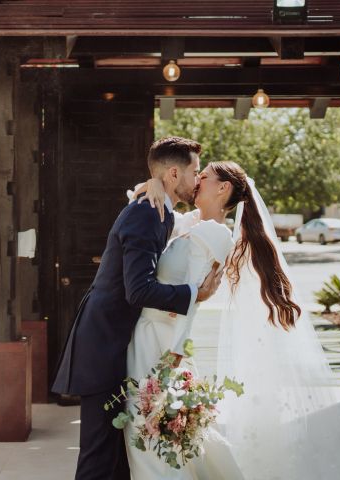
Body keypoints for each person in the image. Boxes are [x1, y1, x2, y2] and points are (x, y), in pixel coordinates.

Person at [128, 161, 340, 480]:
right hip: (159, 337)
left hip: (168, 339)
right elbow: (160, 220)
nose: (197, 180)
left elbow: (194, 290)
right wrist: (156, 182)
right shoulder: (193, 224)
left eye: (204, 177)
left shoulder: (215, 234)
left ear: (223, 189)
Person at [51, 136, 224, 480]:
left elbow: (174, 221)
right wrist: (195, 294)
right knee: (98, 455)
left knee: (116, 457)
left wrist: (151, 184)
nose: (198, 179)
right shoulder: (147, 213)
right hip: (103, 344)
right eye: (194, 171)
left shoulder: (157, 209)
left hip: (116, 344)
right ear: (175, 174)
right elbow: (139, 289)